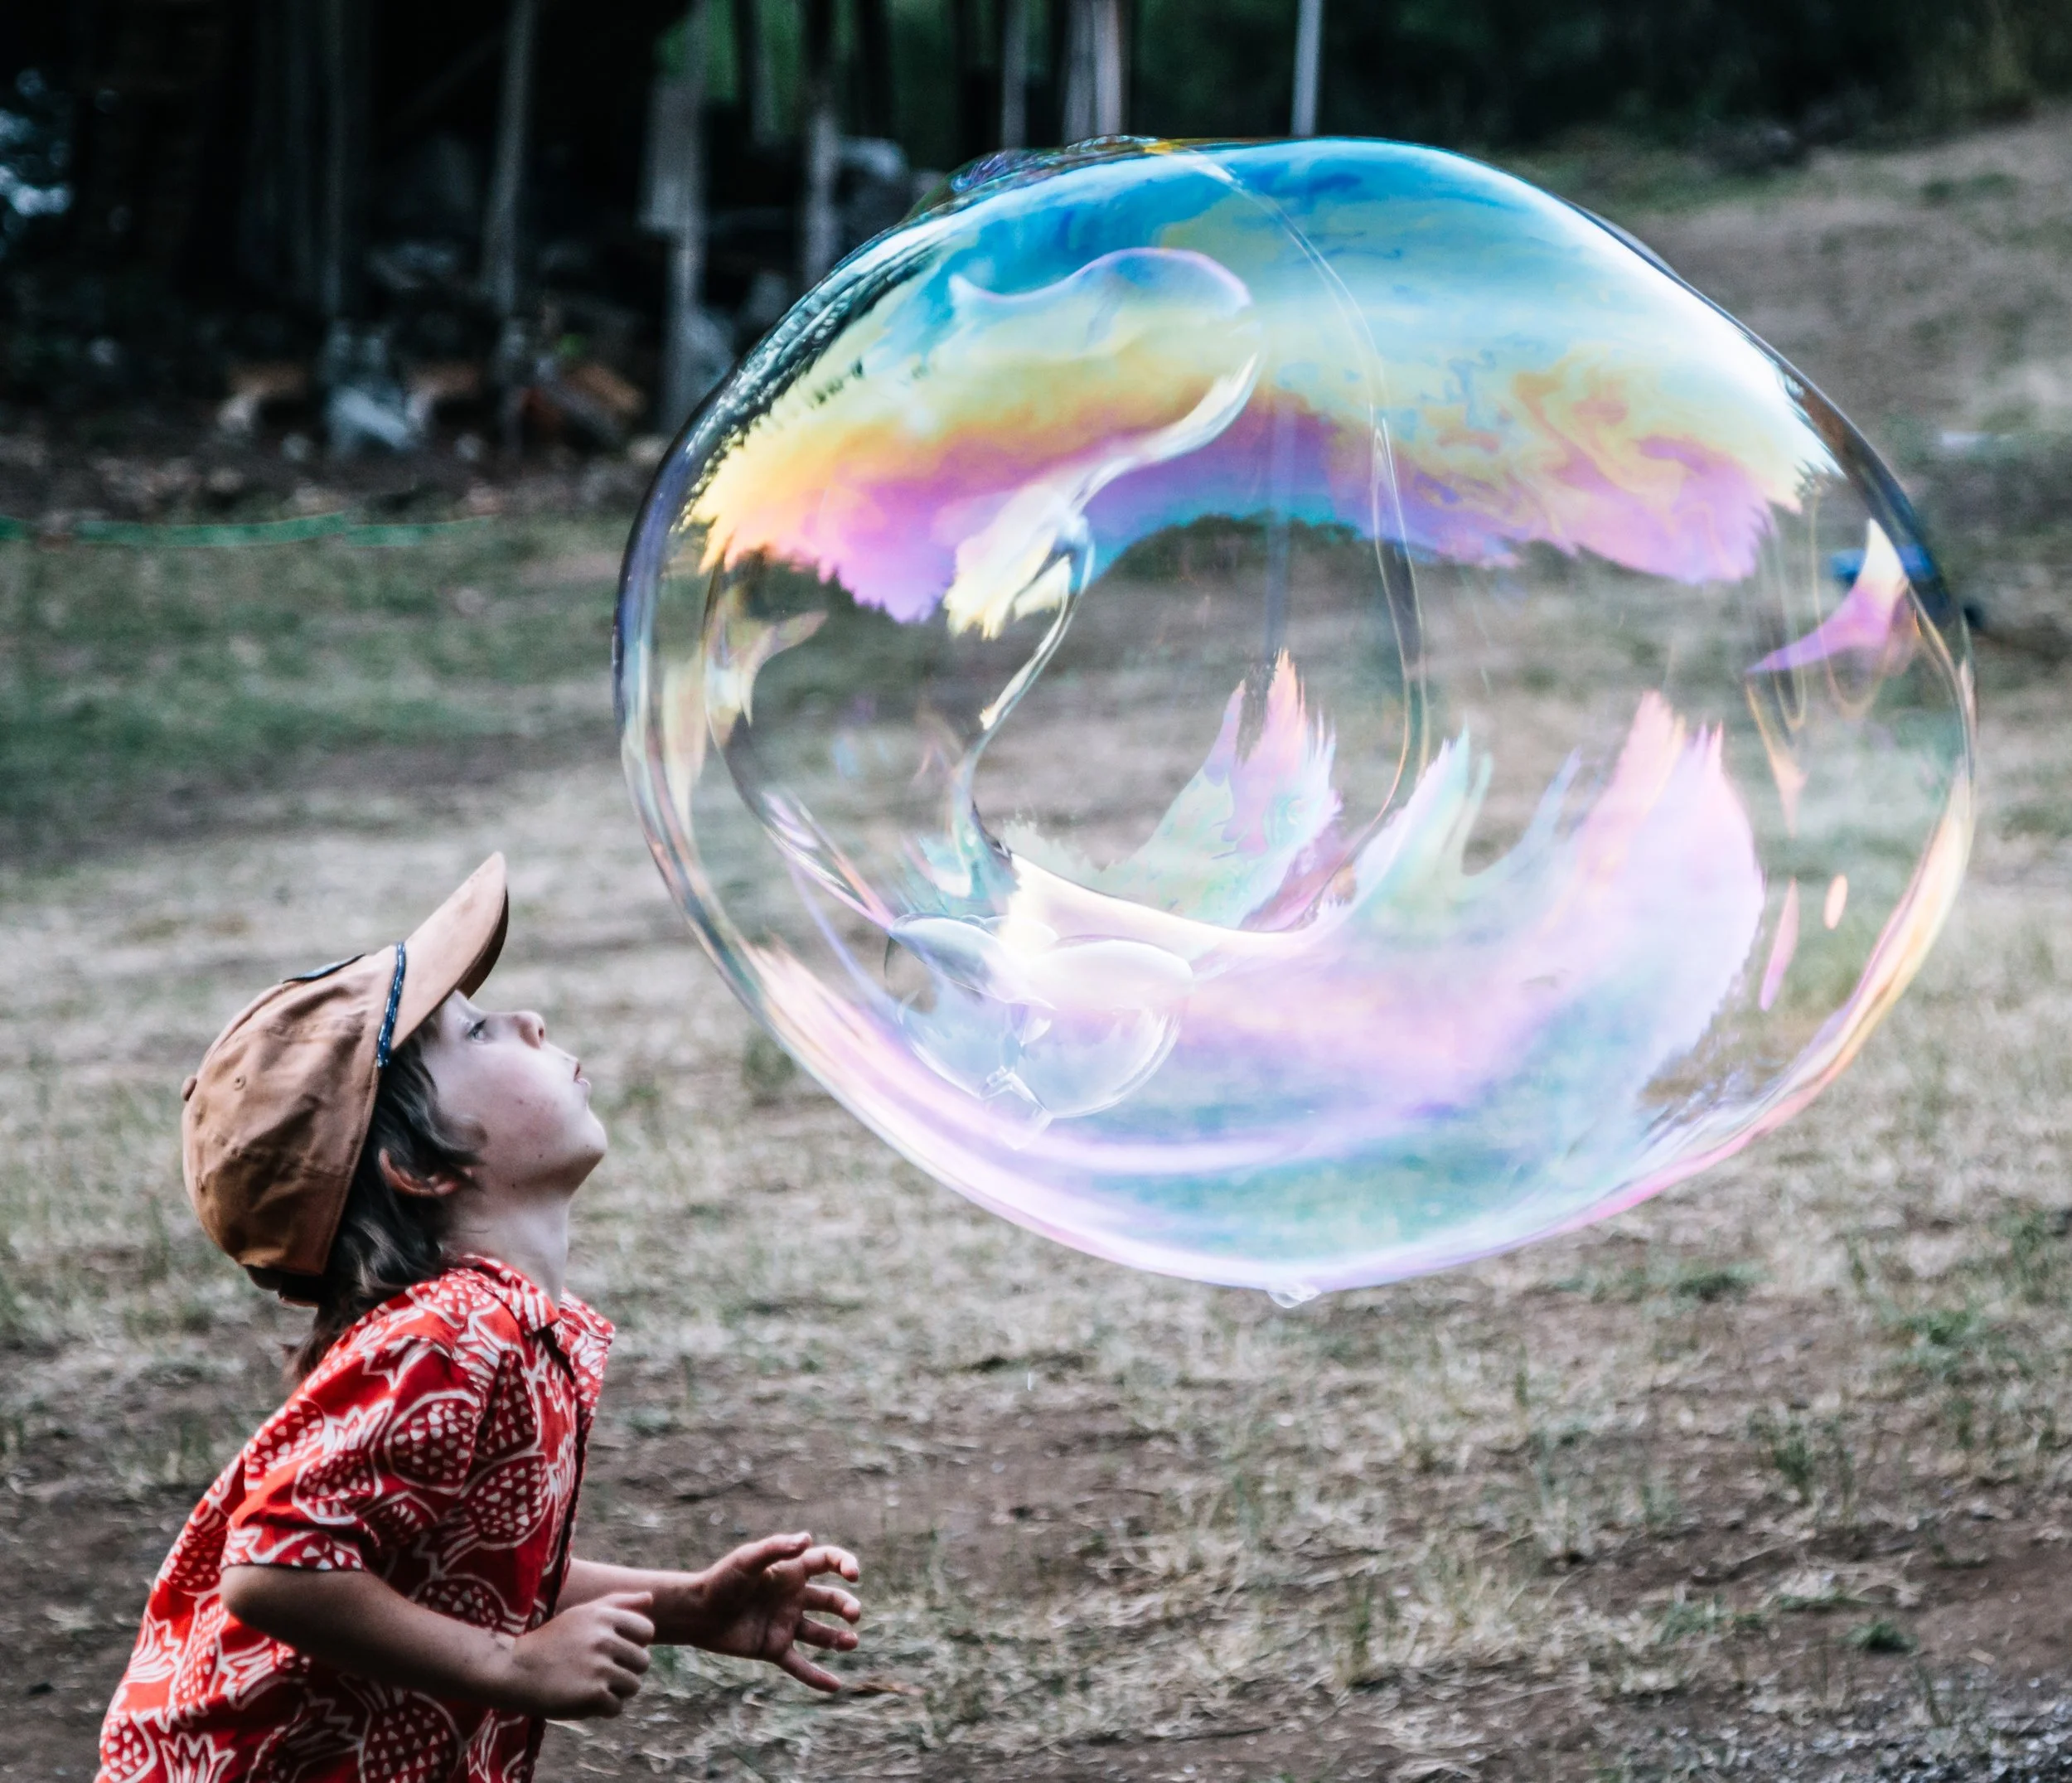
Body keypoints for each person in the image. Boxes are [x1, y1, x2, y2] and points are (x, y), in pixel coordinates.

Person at [98, 855, 862, 1783]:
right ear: (420, 1168)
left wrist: (686, 1609)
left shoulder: (500, 1329)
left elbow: (471, 1576)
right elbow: (274, 1571)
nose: (529, 1020)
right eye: (474, 1030)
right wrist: (513, 1666)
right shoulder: (455, 1333)